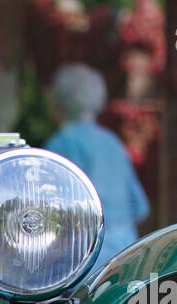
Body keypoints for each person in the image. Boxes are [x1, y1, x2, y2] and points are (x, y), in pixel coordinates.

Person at [45, 64, 149, 270]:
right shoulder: (113, 142)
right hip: (126, 255)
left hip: (83, 258)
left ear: (60, 100)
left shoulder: (61, 143)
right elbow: (141, 207)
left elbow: (54, 211)